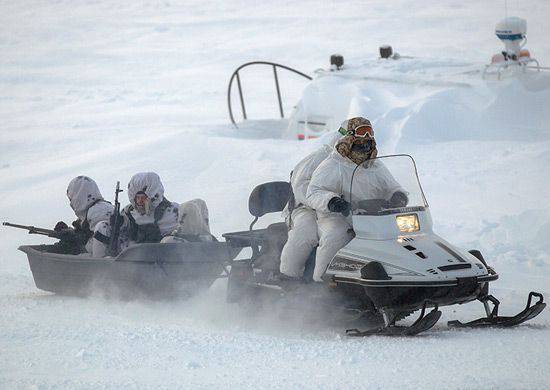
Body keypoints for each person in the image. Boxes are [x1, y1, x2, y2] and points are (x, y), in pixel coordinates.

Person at [306, 117, 405, 282]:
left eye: (370, 132)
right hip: (338, 215)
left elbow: (392, 186)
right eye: (361, 132)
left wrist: (398, 196)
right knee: (335, 235)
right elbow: (313, 192)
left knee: (404, 234)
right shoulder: (333, 163)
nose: (366, 137)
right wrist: (332, 201)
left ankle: (402, 273)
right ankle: (322, 280)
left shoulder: (375, 165)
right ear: (350, 135)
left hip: (373, 215)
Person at [279, 132, 342, 279]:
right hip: (306, 208)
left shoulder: (363, 160)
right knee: (306, 230)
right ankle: (289, 275)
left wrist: (394, 196)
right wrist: (327, 201)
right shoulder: (319, 158)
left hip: (338, 210)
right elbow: (300, 186)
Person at [54, 176, 114, 256]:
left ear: (78, 196)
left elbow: (98, 246)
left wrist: (75, 248)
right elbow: (87, 234)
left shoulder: (98, 211)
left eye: (71, 199)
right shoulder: (98, 208)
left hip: (103, 264)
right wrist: (70, 233)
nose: (71, 203)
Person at [121, 172, 179, 247]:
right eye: (137, 198)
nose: (140, 201)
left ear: (153, 196)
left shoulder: (173, 213)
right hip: (132, 257)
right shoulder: (128, 214)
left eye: (143, 198)